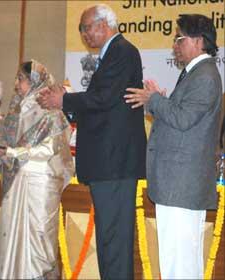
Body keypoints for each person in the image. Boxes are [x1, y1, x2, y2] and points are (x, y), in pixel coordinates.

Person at [37, 4, 147, 279]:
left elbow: (105, 98)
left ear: (103, 24)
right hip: (107, 163)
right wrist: (68, 100)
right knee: (109, 238)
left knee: (114, 240)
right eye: (82, 29)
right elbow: (101, 101)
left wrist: (65, 100)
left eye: (86, 27)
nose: (84, 34)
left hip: (114, 162)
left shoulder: (122, 51)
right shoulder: (110, 54)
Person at [124, 14, 222, 279]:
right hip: (177, 184)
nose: (174, 45)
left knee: (180, 263)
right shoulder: (196, 73)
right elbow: (184, 118)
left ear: (199, 41)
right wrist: (161, 100)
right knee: (177, 260)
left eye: (180, 38)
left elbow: (183, 119)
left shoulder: (204, 76)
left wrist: (155, 100)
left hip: (182, 184)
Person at [0, 60, 74, 279]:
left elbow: (51, 149)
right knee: (13, 238)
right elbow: (0, 141)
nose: (16, 84)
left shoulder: (52, 111)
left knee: (39, 240)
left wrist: (15, 153)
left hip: (41, 184)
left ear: (35, 81)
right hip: (17, 183)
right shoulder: (16, 110)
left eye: (21, 79)